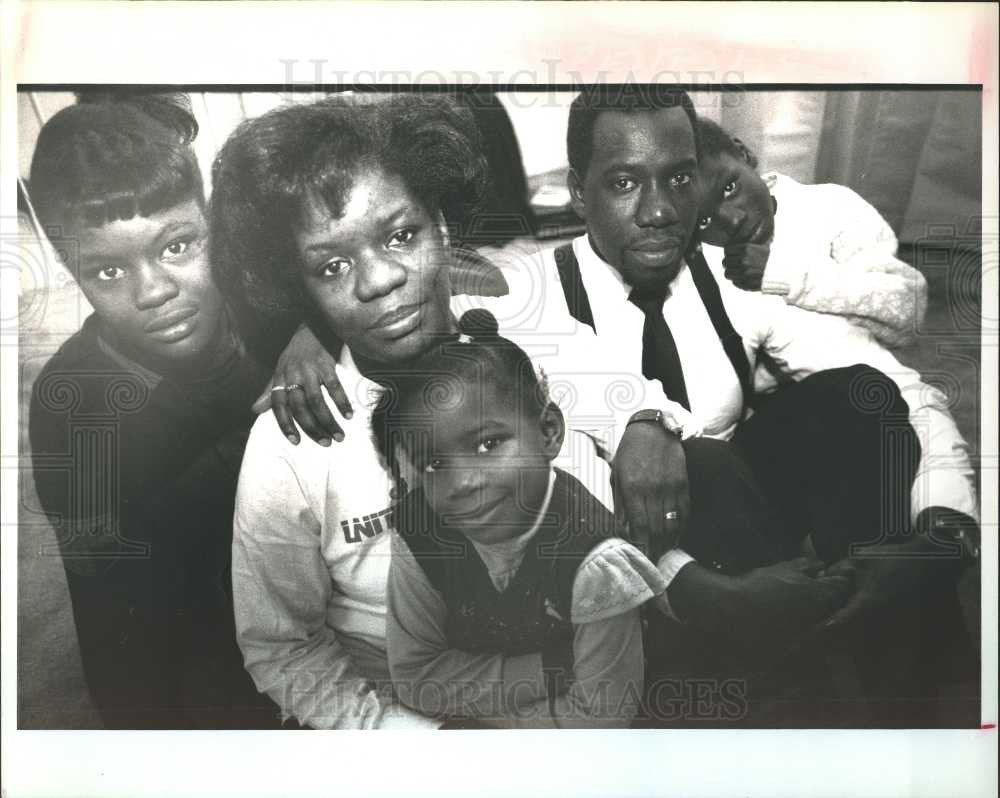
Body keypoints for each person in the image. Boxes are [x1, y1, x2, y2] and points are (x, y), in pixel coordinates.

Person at [558, 86, 979, 724]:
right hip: (635, 560)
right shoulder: (533, 291)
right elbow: (553, 489)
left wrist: (946, 524)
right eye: (623, 183)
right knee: (700, 461)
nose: (660, 212)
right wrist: (642, 429)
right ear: (576, 190)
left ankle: (893, 657)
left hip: (747, 519)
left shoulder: (729, 275)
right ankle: (784, 690)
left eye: (678, 179)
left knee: (858, 401)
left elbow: (889, 386)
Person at [27, 92, 279, 728]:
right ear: (68, 268)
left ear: (213, 225)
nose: (155, 291)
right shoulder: (76, 403)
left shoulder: (265, 309)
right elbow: (112, 615)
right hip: (217, 668)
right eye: (108, 272)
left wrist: (306, 336)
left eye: (177, 247)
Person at [379, 310, 665, 728]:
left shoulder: (595, 562)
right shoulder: (419, 530)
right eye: (434, 463)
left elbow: (601, 723)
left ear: (548, 431)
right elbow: (416, 678)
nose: (462, 482)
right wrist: (551, 670)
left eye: (488, 443)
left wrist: (483, 726)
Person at [694, 117, 928, 354]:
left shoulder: (833, 206)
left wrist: (783, 276)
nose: (734, 220)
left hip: (860, 376)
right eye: (703, 221)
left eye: (729, 188)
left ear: (742, 153)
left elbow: (908, 310)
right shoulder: (695, 256)